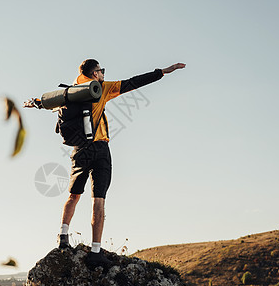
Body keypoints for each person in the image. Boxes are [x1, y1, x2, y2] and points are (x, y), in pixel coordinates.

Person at [24, 59, 185, 266]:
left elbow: (47, 103)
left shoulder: (71, 92)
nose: (103, 74)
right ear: (94, 74)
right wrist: (162, 72)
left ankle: (63, 238)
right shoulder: (100, 88)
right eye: (101, 71)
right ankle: (95, 252)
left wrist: (35, 102)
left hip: (78, 150)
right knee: (98, 200)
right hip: (100, 149)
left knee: (73, 195)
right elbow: (132, 83)